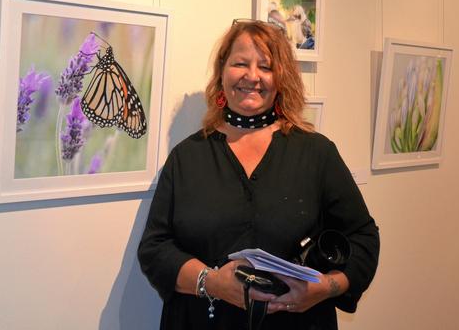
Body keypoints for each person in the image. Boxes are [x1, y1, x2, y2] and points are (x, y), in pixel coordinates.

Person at [138, 20, 380, 329]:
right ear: (222, 73)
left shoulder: (317, 153)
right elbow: (155, 248)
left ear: (281, 78)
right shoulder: (187, 157)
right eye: (240, 63)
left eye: (265, 67)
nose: (252, 76)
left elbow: (363, 238)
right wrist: (211, 282)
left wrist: (325, 287)